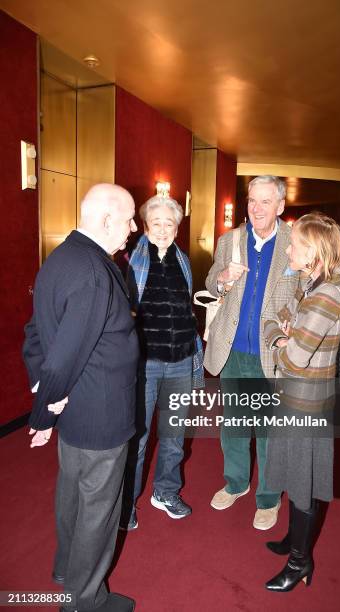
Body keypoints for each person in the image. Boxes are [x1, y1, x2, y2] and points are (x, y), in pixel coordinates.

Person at [22, 184, 138, 612]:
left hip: (76, 410)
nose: (133, 228)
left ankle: (65, 570)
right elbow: (64, 357)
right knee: (98, 511)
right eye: (127, 219)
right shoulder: (92, 271)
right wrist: (42, 415)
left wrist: (44, 396)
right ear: (106, 220)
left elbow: (34, 334)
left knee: (72, 494)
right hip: (100, 415)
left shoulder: (61, 257)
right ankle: (82, 602)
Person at [204, 175, 299, 530]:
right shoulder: (230, 240)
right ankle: (236, 483)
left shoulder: (295, 243)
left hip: (271, 355)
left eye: (265, 201)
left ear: (280, 206)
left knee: (271, 430)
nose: (256, 209)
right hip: (233, 350)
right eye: (252, 201)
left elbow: (306, 291)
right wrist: (223, 277)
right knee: (234, 425)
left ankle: (269, 497)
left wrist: (292, 324)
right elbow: (212, 280)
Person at [263, 212, 340, 592]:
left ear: (313, 251)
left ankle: (300, 562)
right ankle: (293, 541)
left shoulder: (327, 293)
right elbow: (276, 317)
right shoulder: (311, 281)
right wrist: (283, 334)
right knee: (293, 471)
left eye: (295, 243)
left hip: (306, 401)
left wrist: (281, 340)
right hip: (296, 396)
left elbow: (294, 357)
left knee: (303, 480)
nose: (289, 248)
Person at [121, 195, 203, 530]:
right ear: (145, 226)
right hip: (146, 363)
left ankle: (166, 492)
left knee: (173, 436)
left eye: (170, 223)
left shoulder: (183, 260)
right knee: (138, 437)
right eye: (157, 223)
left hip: (182, 360)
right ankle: (127, 502)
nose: (164, 229)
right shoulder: (130, 260)